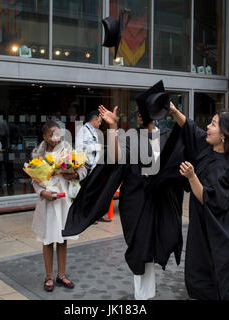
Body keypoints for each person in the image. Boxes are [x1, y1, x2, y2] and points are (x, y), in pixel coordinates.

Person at [62, 80, 189, 300]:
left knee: (160, 242)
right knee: (141, 250)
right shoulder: (131, 137)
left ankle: (147, 292)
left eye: (140, 112)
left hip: (161, 203)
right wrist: (112, 127)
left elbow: (188, 139)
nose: (139, 116)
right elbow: (115, 158)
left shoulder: (169, 136)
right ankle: (143, 297)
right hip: (137, 203)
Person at [175, 108, 229, 300]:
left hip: (218, 236)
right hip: (204, 231)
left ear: (224, 134)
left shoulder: (222, 167)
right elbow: (192, 129)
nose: (207, 127)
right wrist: (174, 111)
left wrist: (192, 177)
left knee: (213, 287)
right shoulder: (209, 149)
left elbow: (209, 200)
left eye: (213, 124)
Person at [30, 120, 84, 292]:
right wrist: (41, 192)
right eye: (52, 135)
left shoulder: (68, 149)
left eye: (58, 134)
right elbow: (34, 178)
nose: (56, 137)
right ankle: (49, 276)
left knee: (62, 238)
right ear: (45, 136)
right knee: (47, 239)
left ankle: (61, 275)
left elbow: (83, 170)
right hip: (47, 200)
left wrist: (73, 174)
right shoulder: (38, 152)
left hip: (63, 200)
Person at [75, 110, 112, 222]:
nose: (100, 123)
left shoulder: (93, 130)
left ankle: (96, 214)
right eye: (99, 121)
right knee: (87, 191)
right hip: (87, 166)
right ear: (95, 120)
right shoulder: (83, 130)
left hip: (95, 166)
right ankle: (87, 215)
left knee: (96, 191)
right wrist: (97, 147)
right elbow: (79, 147)